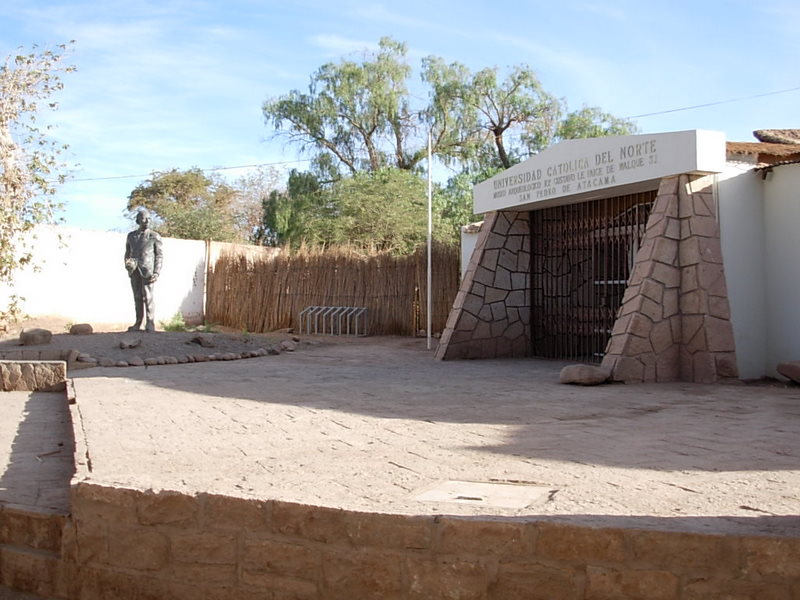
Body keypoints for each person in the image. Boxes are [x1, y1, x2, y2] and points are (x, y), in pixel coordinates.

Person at [124, 208, 163, 332]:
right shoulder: (131, 236)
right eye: (144, 218)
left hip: (148, 270)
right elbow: (127, 252)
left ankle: (150, 323)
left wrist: (157, 271)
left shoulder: (154, 236)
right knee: (137, 296)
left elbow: (159, 255)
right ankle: (138, 323)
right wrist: (127, 264)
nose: (147, 220)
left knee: (148, 296)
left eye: (149, 218)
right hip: (134, 270)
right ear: (138, 220)